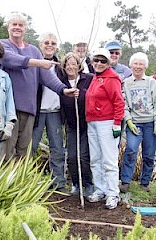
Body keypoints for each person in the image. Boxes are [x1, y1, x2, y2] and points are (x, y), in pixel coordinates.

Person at [0, 12, 79, 163]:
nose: (17, 27)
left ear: (25, 29)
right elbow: (10, 59)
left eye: (20, 25)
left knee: (24, 150)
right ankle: (5, 184)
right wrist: (38, 62)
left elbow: (46, 76)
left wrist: (63, 89)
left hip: (29, 109)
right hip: (9, 109)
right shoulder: (3, 45)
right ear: (8, 27)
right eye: (14, 24)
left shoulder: (34, 51)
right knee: (7, 149)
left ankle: (21, 183)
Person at [85, 48, 124, 209]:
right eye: (96, 60)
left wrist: (117, 122)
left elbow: (119, 102)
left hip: (107, 122)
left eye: (103, 61)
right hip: (92, 121)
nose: (99, 64)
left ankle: (112, 193)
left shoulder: (112, 78)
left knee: (109, 159)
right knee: (95, 159)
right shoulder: (95, 77)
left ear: (108, 63)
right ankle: (100, 189)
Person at [120, 52, 156, 193]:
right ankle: (125, 181)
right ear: (131, 65)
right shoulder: (126, 83)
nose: (138, 67)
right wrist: (129, 121)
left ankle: (145, 182)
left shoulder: (151, 82)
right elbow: (123, 104)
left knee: (149, 154)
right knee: (131, 150)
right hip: (135, 124)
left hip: (150, 124)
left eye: (141, 64)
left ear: (145, 66)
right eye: (135, 64)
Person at [32, 32, 66, 191]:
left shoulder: (60, 66)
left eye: (53, 43)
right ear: (40, 45)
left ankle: (58, 182)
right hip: (37, 112)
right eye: (46, 42)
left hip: (55, 112)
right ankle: (27, 181)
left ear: (56, 46)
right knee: (30, 147)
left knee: (57, 148)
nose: (49, 45)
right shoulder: (34, 64)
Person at [59, 52, 94, 196]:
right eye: (67, 64)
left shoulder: (88, 79)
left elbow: (95, 94)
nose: (70, 67)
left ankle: (88, 184)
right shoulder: (61, 82)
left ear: (79, 66)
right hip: (72, 125)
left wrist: (83, 93)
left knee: (83, 156)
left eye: (74, 64)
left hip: (87, 124)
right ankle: (76, 184)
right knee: (72, 157)